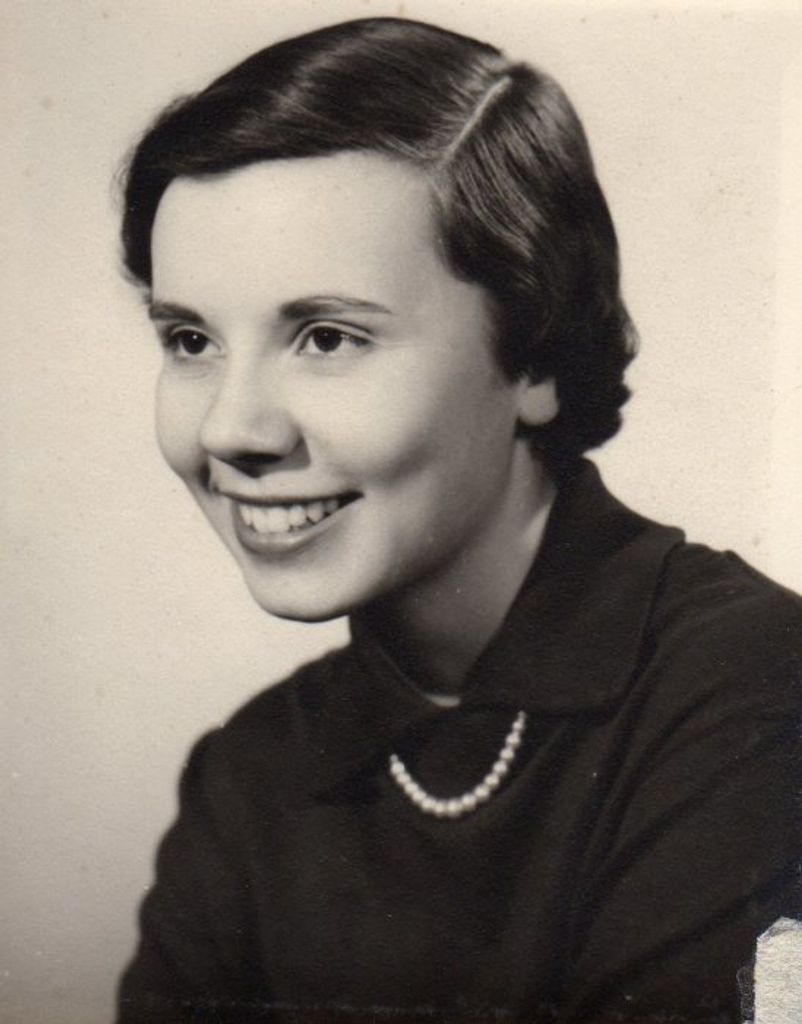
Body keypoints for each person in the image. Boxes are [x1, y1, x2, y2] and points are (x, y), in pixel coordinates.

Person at [116, 17, 801, 1024]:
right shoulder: (248, 774)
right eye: (189, 339)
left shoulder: (755, 691)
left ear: (533, 355)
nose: (231, 428)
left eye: (326, 337)